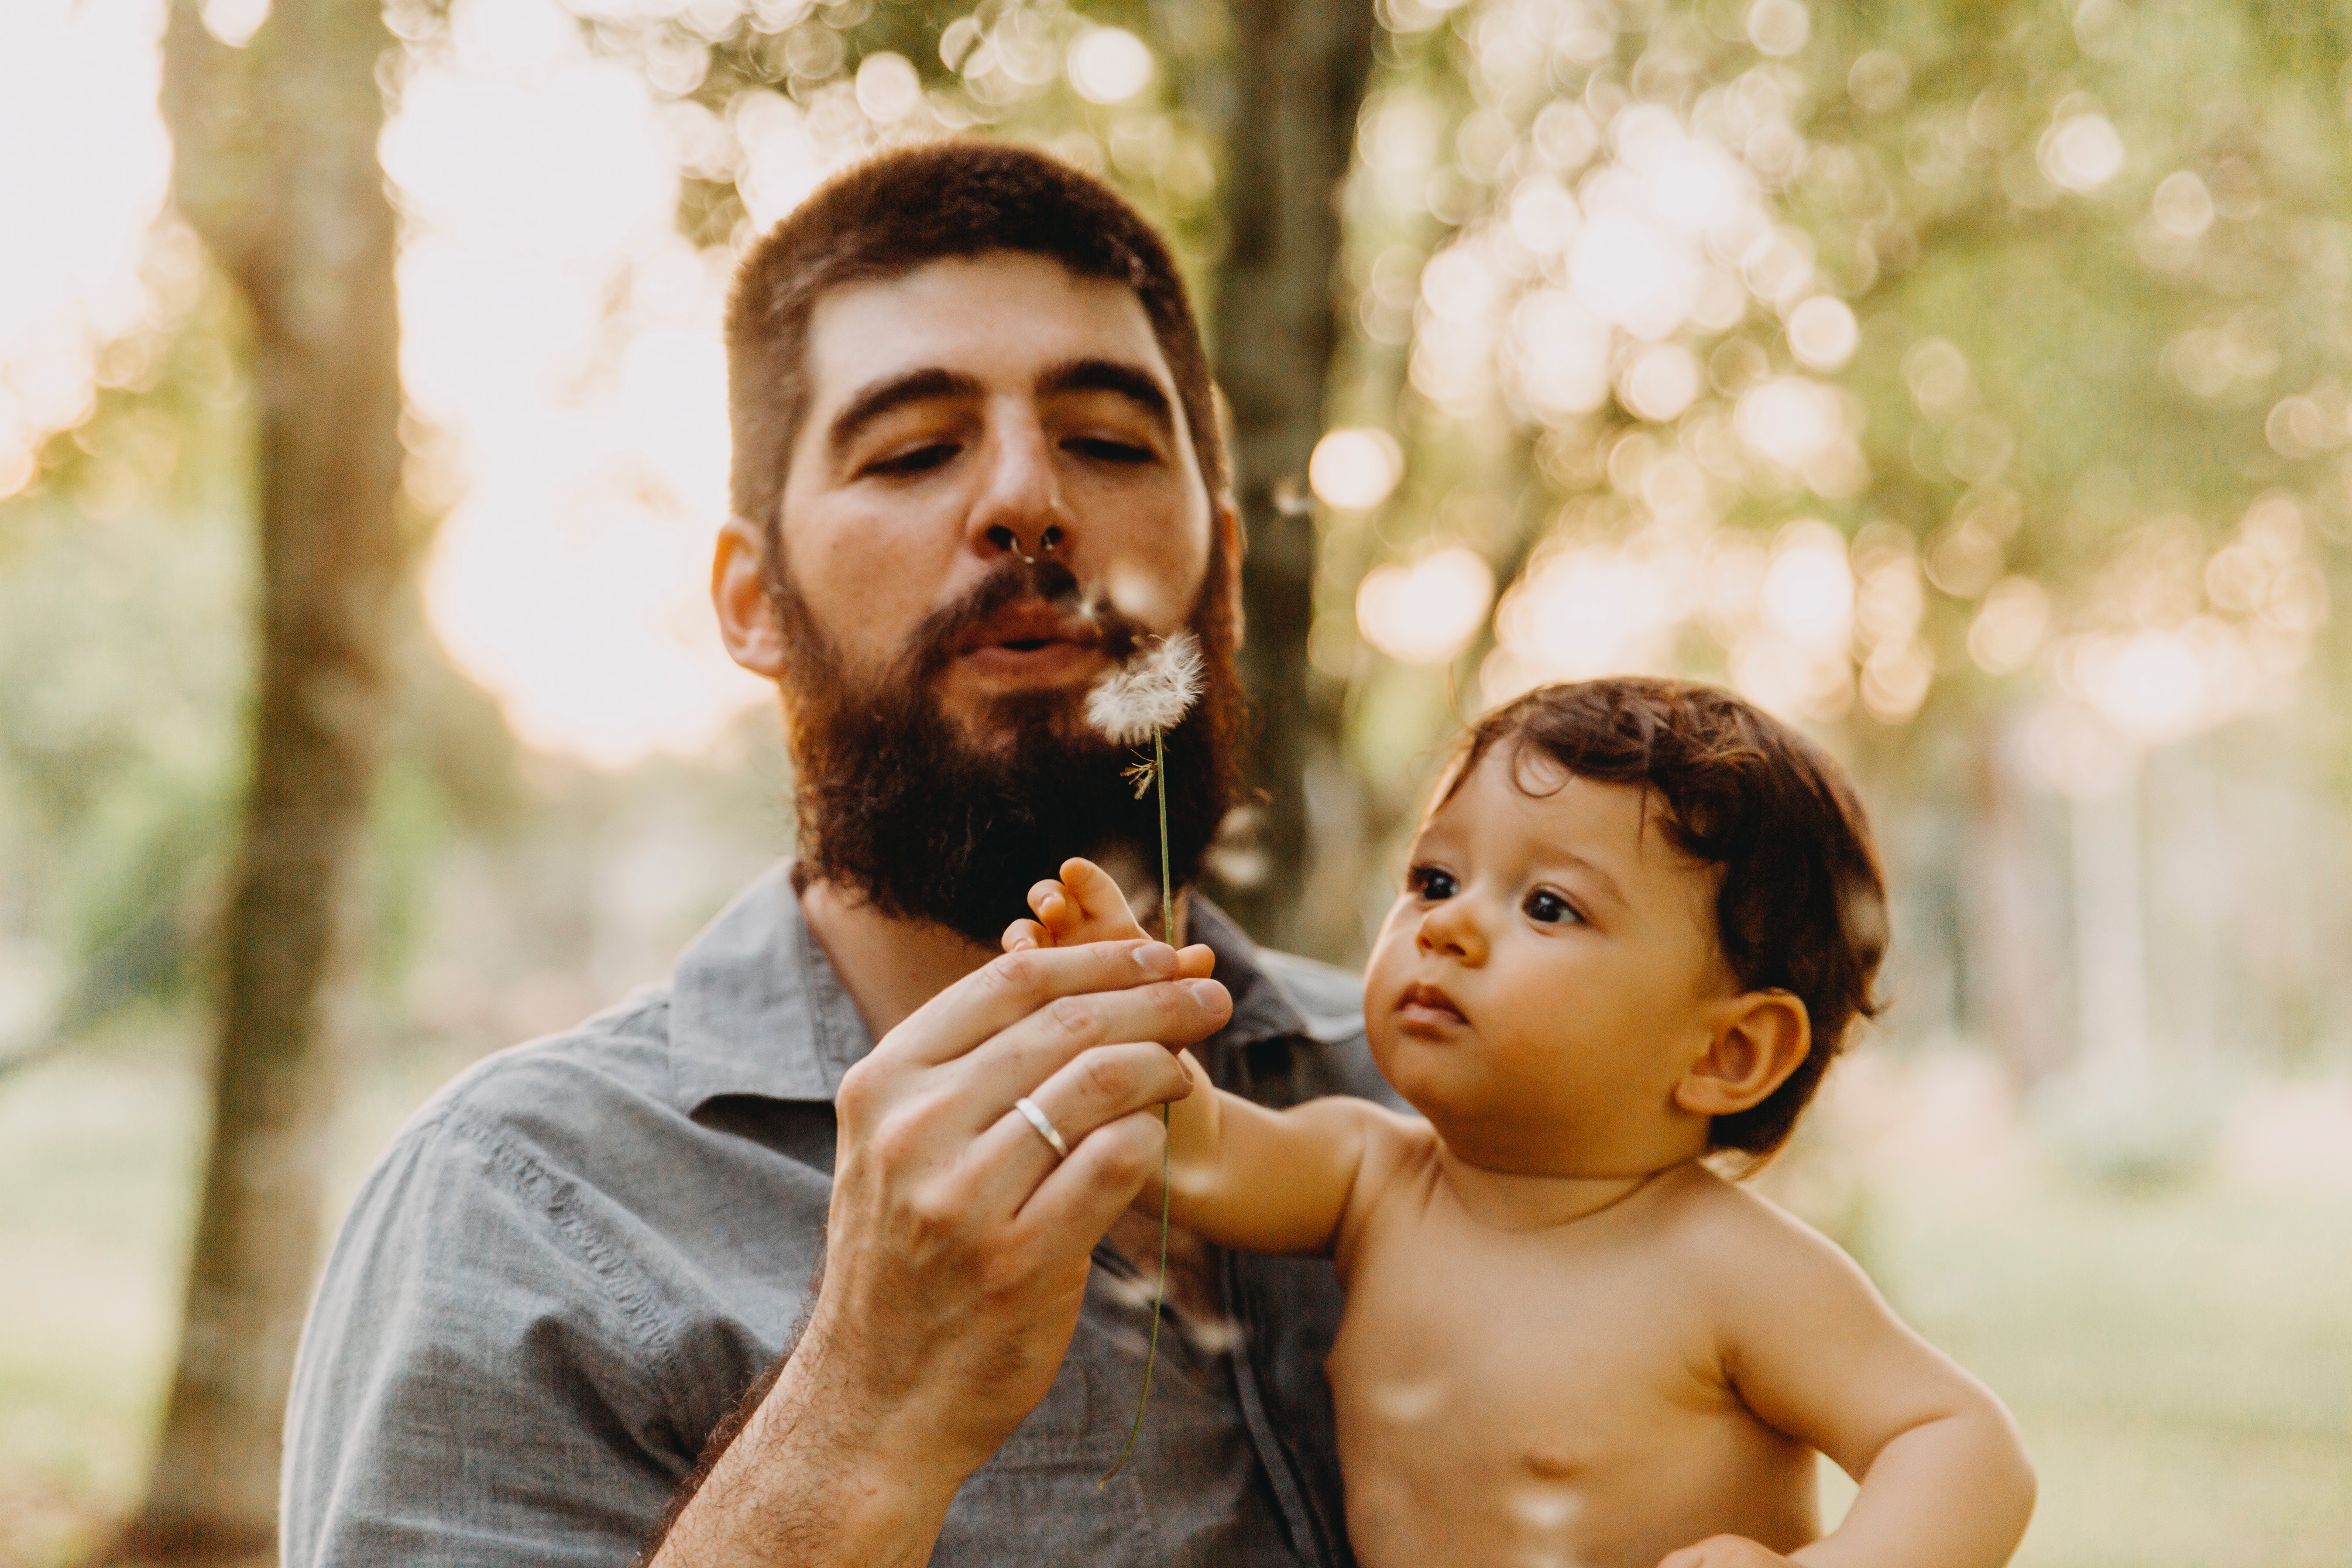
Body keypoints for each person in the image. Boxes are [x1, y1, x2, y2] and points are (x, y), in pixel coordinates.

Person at [280, 140, 1392, 1567]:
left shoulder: (1445, 1096)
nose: (1025, 499)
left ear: (1223, 575)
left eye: (1108, 442)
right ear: (754, 599)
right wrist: (860, 1412)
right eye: (914, 448)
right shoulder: (516, 1202)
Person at [1008, 677, 2039, 1568]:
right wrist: (1110, 996)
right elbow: (1199, 1150)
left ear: (1726, 1053)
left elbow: (1961, 1443)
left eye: (1548, 906)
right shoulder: (1370, 1179)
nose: (1446, 927)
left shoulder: (1726, 1269)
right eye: (1435, 880)